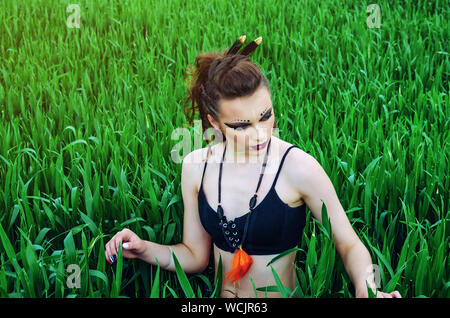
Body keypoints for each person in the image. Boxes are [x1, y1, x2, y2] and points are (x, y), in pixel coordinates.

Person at [104, 35, 402, 299]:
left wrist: (368, 288)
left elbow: (348, 243)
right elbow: (195, 256)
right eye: (241, 125)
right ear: (214, 123)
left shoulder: (298, 168)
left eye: (265, 115)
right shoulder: (196, 167)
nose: (260, 133)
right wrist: (143, 248)